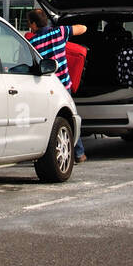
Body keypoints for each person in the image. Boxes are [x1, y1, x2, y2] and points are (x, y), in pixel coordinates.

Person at [25, 9, 88, 162]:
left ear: (34, 24)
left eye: (29, 23)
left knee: (49, 121)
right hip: (64, 85)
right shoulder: (59, 32)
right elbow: (83, 28)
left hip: (46, 87)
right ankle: (79, 153)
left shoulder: (32, 43)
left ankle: (44, 153)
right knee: (67, 118)